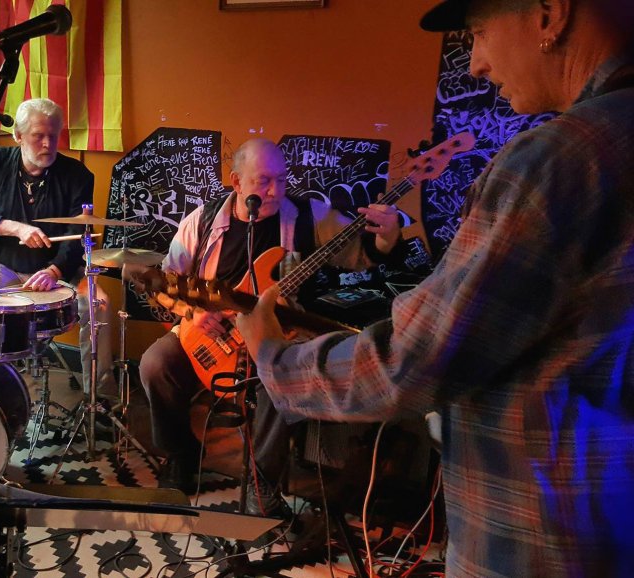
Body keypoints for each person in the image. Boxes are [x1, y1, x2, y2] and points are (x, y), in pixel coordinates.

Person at [237, 0, 634, 575]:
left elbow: (414, 357)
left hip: (538, 534)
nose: (474, 63)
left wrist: (274, 357)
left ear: (550, 14)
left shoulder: (556, 160)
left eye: (478, 33)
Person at [139, 137, 402, 516]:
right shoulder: (202, 221)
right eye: (263, 181)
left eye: (281, 180)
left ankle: (262, 483)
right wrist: (192, 312)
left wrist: (388, 237)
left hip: (276, 336)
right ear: (236, 182)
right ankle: (180, 455)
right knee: (155, 364)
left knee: (281, 379)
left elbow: (361, 254)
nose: (275, 191)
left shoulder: (309, 215)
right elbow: (166, 281)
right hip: (206, 331)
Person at [0, 97, 117, 398]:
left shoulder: (77, 175)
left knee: (99, 304)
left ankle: (99, 397)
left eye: (53, 135)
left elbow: (78, 233)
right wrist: (17, 227)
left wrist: (54, 270)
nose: (48, 144)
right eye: (38, 136)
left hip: (60, 270)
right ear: (18, 135)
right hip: (3, 264)